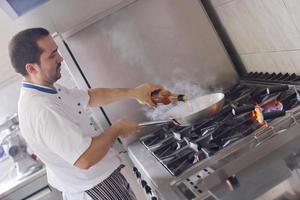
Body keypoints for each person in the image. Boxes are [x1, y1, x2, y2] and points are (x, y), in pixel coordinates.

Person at [9, 28, 163, 200]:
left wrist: (134, 92)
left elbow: (91, 96)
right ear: (31, 68)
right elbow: (85, 159)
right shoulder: (41, 108)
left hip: (104, 184)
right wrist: (117, 129)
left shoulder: (48, 89)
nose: (60, 58)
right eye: (52, 56)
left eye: (57, 51)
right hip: (96, 192)